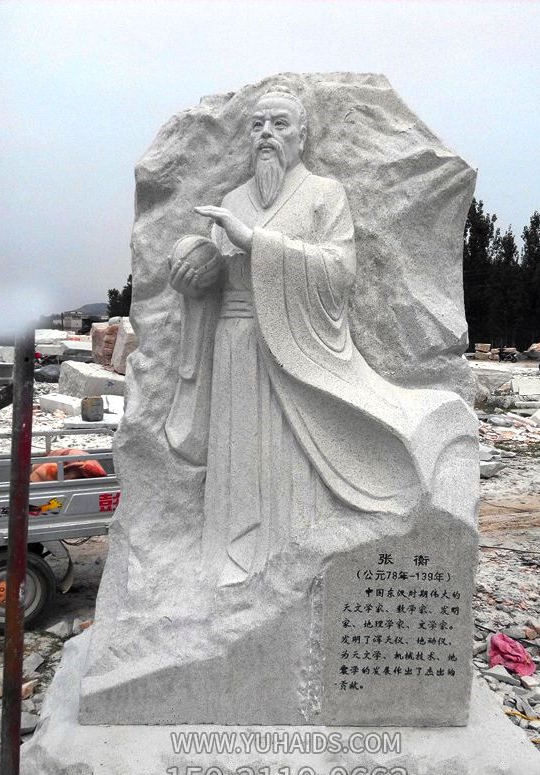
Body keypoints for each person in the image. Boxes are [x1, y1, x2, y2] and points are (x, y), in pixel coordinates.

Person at [166, 86, 425, 586]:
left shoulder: (324, 194)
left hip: (297, 351)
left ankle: (293, 564)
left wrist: (255, 241)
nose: (266, 134)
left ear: (302, 137)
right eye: (257, 125)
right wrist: (195, 281)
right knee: (239, 457)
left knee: (288, 461)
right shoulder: (232, 200)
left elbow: (340, 270)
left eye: (279, 124)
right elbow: (217, 281)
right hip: (236, 345)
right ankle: (233, 561)